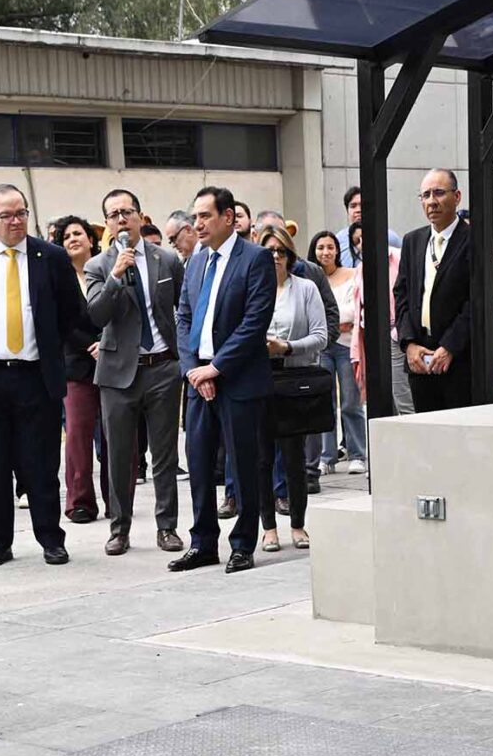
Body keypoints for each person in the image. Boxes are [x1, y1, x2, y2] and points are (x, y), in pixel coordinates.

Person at [0, 183, 89, 568]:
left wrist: (82, 346)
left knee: (41, 464)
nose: (16, 221)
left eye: (21, 213)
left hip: (35, 376)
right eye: (7, 215)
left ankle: (51, 539)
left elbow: (72, 315)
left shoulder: (51, 257)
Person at [169, 183, 272, 575]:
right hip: (199, 379)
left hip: (239, 379)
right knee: (197, 461)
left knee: (243, 464)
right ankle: (203, 543)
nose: (197, 224)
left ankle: (243, 543)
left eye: (205, 216)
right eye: (194, 217)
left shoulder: (255, 259)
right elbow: (183, 317)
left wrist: (219, 367)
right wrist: (195, 369)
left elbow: (254, 322)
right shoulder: (196, 260)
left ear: (228, 217)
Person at [82, 187, 185, 557]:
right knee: (120, 455)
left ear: (142, 217)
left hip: (162, 368)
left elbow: (183, 311)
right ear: (107, 224)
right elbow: (95, 315)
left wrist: (181, 360)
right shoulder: (97, 265)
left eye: (127, 212)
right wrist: (115, 275)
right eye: (113, 214)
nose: (121, 219)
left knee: (165, 454)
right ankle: (119, 529)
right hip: (117, 375)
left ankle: (167, 526)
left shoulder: (167, 260)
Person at [257, 225, 325, 554]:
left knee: (294, 457)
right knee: (261, 457)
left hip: (293, 376)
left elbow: (321, 336)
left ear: (290, 255)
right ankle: (268, 528)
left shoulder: (306, 289)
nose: (274, 258)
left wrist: (286, 347)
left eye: (280, 252)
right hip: (258, 378)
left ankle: (298, 523)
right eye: (268, 251)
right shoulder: (251, 288)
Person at [394, 167, 476, 412]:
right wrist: (409, 344)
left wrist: (450, 346)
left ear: (457, 196)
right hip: (421, 357)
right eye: (426, 195)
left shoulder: (475, 239)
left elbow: (478, 300)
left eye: (439, 193)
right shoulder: (413, 241)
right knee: (427, 436)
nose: (432, 201)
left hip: (460, 358)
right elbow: (402, 295)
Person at [50, 214, 106, 527]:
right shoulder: (58, 278)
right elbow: (62, 322)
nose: (73, 239)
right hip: (75, 365)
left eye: (78, 233)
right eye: (66, 236)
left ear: (90, 239)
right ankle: (80, 503)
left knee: (114, 435)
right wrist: (91, 345)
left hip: (114, 361)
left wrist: (106, 344)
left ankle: (117, 499)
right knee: (78, 434)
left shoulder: (107, 269)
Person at [311, 228, 366, 474]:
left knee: (351, 402)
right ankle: (326, 457)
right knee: (324, 402)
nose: (326, 252)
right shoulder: (309, 278)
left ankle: (357, 454)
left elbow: (354, 312)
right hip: (320, 347)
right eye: (321, 247)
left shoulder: (353, 275)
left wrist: (334, 321)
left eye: (330, 247)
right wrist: (335, 321)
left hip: (346, 345)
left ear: (338, 250)